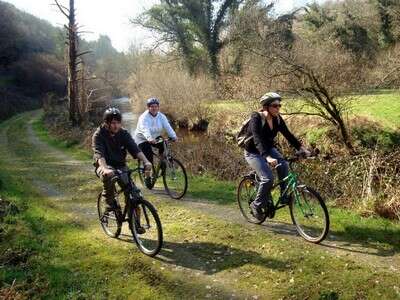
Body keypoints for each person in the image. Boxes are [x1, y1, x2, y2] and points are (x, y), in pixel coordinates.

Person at [244, 92, 310, 220]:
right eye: (275, 106)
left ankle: (284, 196)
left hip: (268, 149)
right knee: (268, 178)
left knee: (284, 165)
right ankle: (256, 205)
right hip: (253, 152)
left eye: (279, 105)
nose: (278, 108)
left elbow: (288, 135)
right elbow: (257, 139)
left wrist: (302, 149)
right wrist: (267, 157)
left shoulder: (277, 119)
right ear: (266, 107)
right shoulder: (256, 118)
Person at [92, 107, 152, 216]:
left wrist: (146, 161)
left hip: (120, 165)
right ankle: (109, 203)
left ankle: (135, 224)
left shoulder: (123, 133)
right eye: (113, 123)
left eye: (118, 123)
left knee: (134, 194)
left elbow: (135, 149)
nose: (116, 126)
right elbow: (99, 154)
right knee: (109, 176)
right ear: (106, 123)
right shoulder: (99, 135)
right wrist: (105, 168)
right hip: (104, 165)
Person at [134, 97, 177, 164]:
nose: (154, 108)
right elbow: (144, 129)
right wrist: (149, 138)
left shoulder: (161, 116)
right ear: (148, 108)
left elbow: (167, 126)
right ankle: (147, 172)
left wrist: (174, 136)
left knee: (164, 145)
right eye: (152, 106)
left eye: (156, 106)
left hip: (155, 137)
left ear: (158, 107)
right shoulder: (143, 117)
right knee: (149, 158)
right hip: (142, 138)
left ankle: (161, 164)